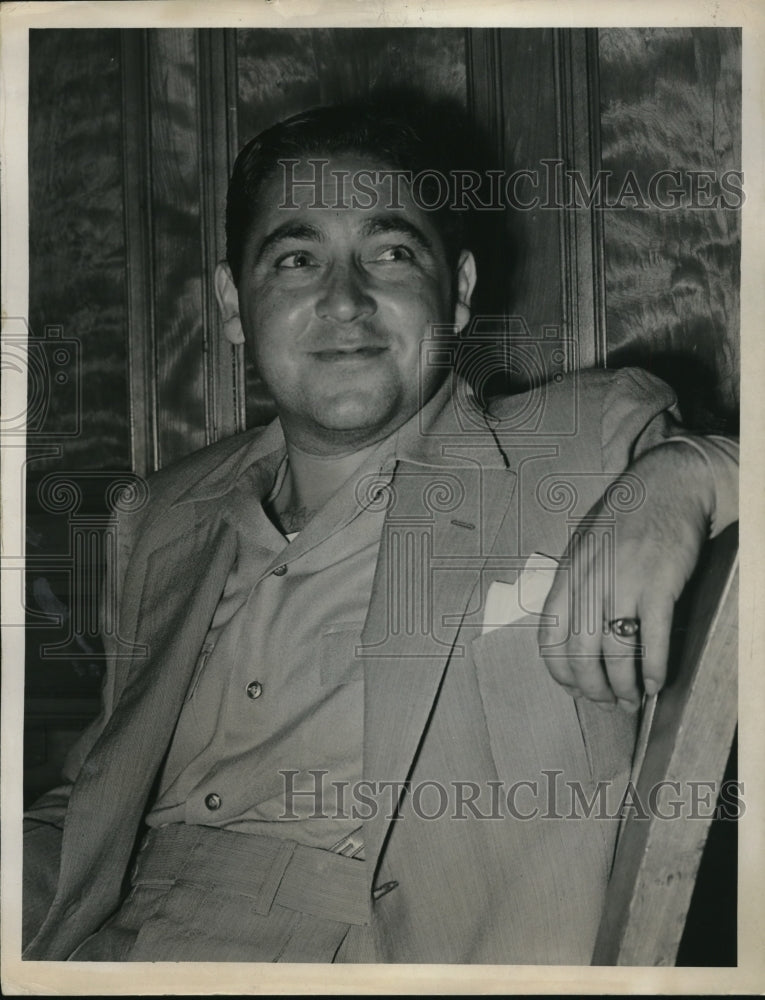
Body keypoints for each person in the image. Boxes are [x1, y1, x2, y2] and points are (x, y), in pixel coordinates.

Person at [22, 104, 738, 964]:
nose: (344, 300)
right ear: (233, 304)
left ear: (459, 292)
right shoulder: (159, 514)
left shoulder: (583, 445)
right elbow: (100, 792)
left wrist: (692, 472)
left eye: (390, 253)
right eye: (296, 259)